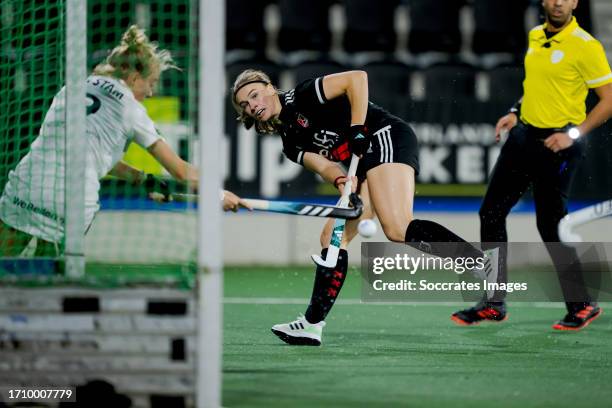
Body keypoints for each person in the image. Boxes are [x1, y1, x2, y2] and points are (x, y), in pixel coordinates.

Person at [232, 69, 497, 346]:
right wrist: (340, 179)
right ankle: (311, 324)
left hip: (385, 135)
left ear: (269, 87)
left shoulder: (303, 95)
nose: (253, 105)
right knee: (332, 237)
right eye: (245, 105)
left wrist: (358, 128)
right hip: (366, 160)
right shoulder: (289, 140)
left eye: (254, 95)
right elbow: (323, 166)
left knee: (397, 226)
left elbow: (357, 78)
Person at [0, 25, 249, 258]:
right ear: (133, 77)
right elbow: (180, 170)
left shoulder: (71, 88)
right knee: (47, 284)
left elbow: (88, 154)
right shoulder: (131, 109)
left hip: (27, 185)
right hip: (71, 203)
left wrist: (142, 179)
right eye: (150, 83)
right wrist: (217, 194)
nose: (151, 93)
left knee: (6, 271)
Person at [451, 0, 612, 330]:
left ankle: (582, 304)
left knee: (550, 225)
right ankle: (494, 302)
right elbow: (536, 87)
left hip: (559, 146)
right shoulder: (537, 35)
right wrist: (513, 111)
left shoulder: (586, 45)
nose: (558, 2)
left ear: (575, 3)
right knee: (491, 213)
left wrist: (573, 134)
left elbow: (609, 100)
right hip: (523, 138)